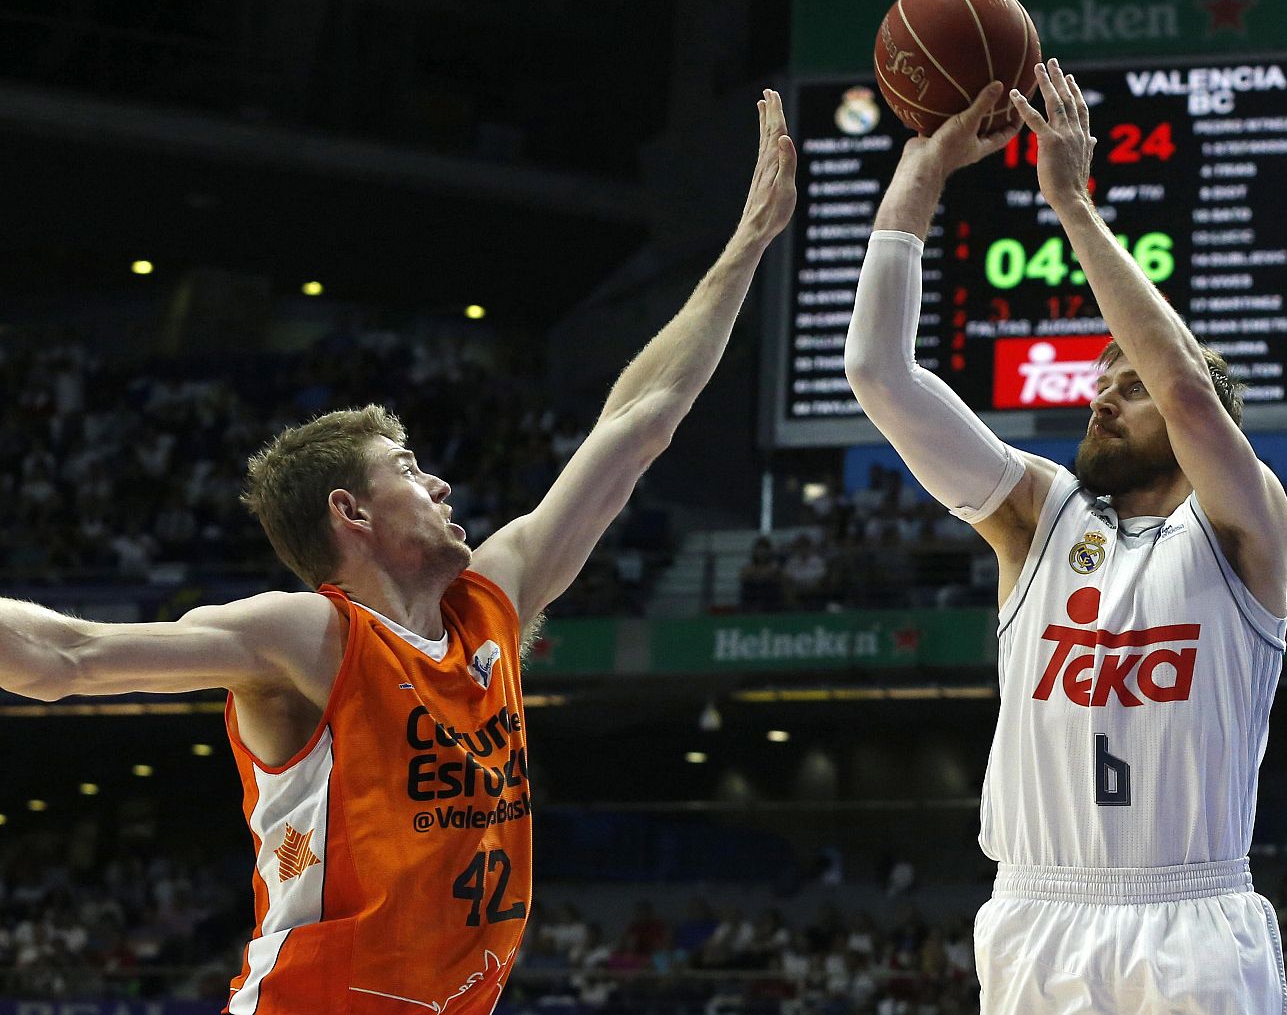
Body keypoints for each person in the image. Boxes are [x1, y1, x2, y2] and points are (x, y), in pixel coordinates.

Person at [0, 89, 797, 1014]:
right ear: (351, 511)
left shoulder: (491, 600)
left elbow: (640, 421)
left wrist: (746, 247)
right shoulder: (306, 637)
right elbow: (63, 655)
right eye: (411, 469)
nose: (442, 484)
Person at [845, 62, 1287, 1012]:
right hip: (1036, 917)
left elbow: (1186, 391)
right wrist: (922, 173)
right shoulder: (1036, 516)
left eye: (1128, 386)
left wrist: (1073, 205)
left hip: (1190, 919)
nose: (1102, 397)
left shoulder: (1245, 523)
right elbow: (878, 371)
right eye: (1101, 381)